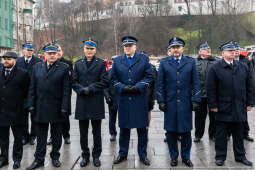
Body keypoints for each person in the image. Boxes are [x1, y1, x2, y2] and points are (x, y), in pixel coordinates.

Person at [207, 41, 254, 167]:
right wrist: (213, 105)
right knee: (221, 135)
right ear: (223, 53)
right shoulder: (215, 68)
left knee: (239, 134)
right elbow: (211, 89)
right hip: (222, 107)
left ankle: (240, 156)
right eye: (230, 51)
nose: (233, 53)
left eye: (234, 51)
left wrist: (250, 102)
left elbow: (250, 86)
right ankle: (220, 157)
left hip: (239, 106)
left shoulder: (243, 66)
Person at [157, 37, 201, 167]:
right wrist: (161, 100)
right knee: (171, 132)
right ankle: (174, 157)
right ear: (170, 49)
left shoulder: (190, 62)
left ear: (183, 48)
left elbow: (196, 82)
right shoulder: (164, 63)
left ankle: (186, 157)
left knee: (186, 131)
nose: (175, 49)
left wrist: (196, 99)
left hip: (185, 103)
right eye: (173, 47)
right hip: (170, 103)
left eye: (178, 47)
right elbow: (160, 84)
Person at [26, 43, 70, 170]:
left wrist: (64, 107)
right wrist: (30, 104)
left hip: (57, 107)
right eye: (49, 53)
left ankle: (55, 156)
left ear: (57, 54)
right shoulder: (37, 67)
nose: (51, 55)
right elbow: (32, 87)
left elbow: (66, 90)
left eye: (54, 53)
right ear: (44, 54)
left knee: (56, 135)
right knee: (41, 135)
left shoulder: (64, 68)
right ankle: (39, 159)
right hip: (40, 106)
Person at [112, 36, 153, 166]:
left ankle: (143, 155)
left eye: (130, 45)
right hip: (124, 99)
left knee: (142, 130)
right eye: (125, 46)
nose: (127, 48)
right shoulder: (117, 61)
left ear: (135, 46)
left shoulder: (143, 59)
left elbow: (149, 76)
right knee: (124, 130)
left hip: (139, 99)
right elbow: (112, 79)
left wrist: (139, 86)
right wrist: (122, 87)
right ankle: (122, 154)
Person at [72, 39, 108, 167]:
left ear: (95, 50)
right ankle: (85, 155)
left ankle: (96, 155)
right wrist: (81, 89)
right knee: (83, 132)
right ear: (84, 49)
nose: (89, 51)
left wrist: (91, 88)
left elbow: (104, 81)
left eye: (91, 49)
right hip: (82, 101)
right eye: (87, 48)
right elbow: (73, 81)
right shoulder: (78, 64)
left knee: (97, 132)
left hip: (95, 101)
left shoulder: (101, 63)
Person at [0, 52, 30, 169]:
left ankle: (17, 159)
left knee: (18, 138)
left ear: (15, 60)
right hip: (2, 112)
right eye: (4, 59)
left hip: (17, 112)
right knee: (3, 138)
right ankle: (4, 159)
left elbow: (27, 92)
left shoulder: (23, 74)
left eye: (9, 59)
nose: (6, 61)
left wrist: (24, 107)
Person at [16, 42, 42, 145]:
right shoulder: (18, 61)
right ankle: (24, 136)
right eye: (27, 50)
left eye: (31, 50)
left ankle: (33, 136)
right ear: (23, 50)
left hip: (34, 93)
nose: (29, 52)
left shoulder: (38, 62)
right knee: (23, 117)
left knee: (34, 117)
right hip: (21, 94)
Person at [47, 43, 73, 145]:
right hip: (52, 96)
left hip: (64, 95)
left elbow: (71, 79)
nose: (56, 53)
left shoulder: (68, 63)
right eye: (54, 51)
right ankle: (52, 137)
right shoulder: (48, 63)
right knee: (51, 118)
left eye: (58, 50)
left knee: (65, 117)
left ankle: (66, 135)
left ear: (61, 52)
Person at [194, 42, 217, 142]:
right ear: (200, 51)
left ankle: (213, 135)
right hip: (200, 95)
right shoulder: (194, 62)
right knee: (199, 117)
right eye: (205, 49)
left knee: (214, 116)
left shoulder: (216, 61)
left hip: (213, 94)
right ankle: (198, 135)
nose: (208, 50)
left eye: (209, 49)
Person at [233, 41, 254, 142]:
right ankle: (229, 134)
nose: (236, 51)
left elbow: (250, 78)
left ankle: (245, 133)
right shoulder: (228, 60)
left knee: (243, 115)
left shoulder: (246, 60)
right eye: (234, 49)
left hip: (243, 91)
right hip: (231, 92)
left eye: (238, 49)